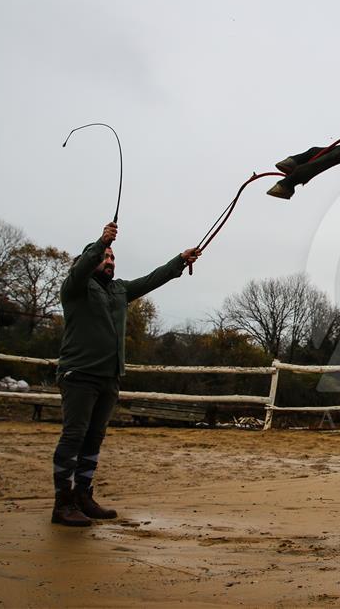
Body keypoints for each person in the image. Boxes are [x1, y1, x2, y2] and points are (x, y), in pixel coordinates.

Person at [51, 221, 200, 526]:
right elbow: (81, 270)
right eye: (105, 256)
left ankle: (82, 495)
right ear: (90, 260)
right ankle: (62, 503)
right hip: (79, 374)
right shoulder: (75, 287)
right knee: (74, 436)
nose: (110, 261)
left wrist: (180, 261)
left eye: (113, 257)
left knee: (94, 438)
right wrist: (99, 242)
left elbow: (151, 280)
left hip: (109, 377)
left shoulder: (119, 290)